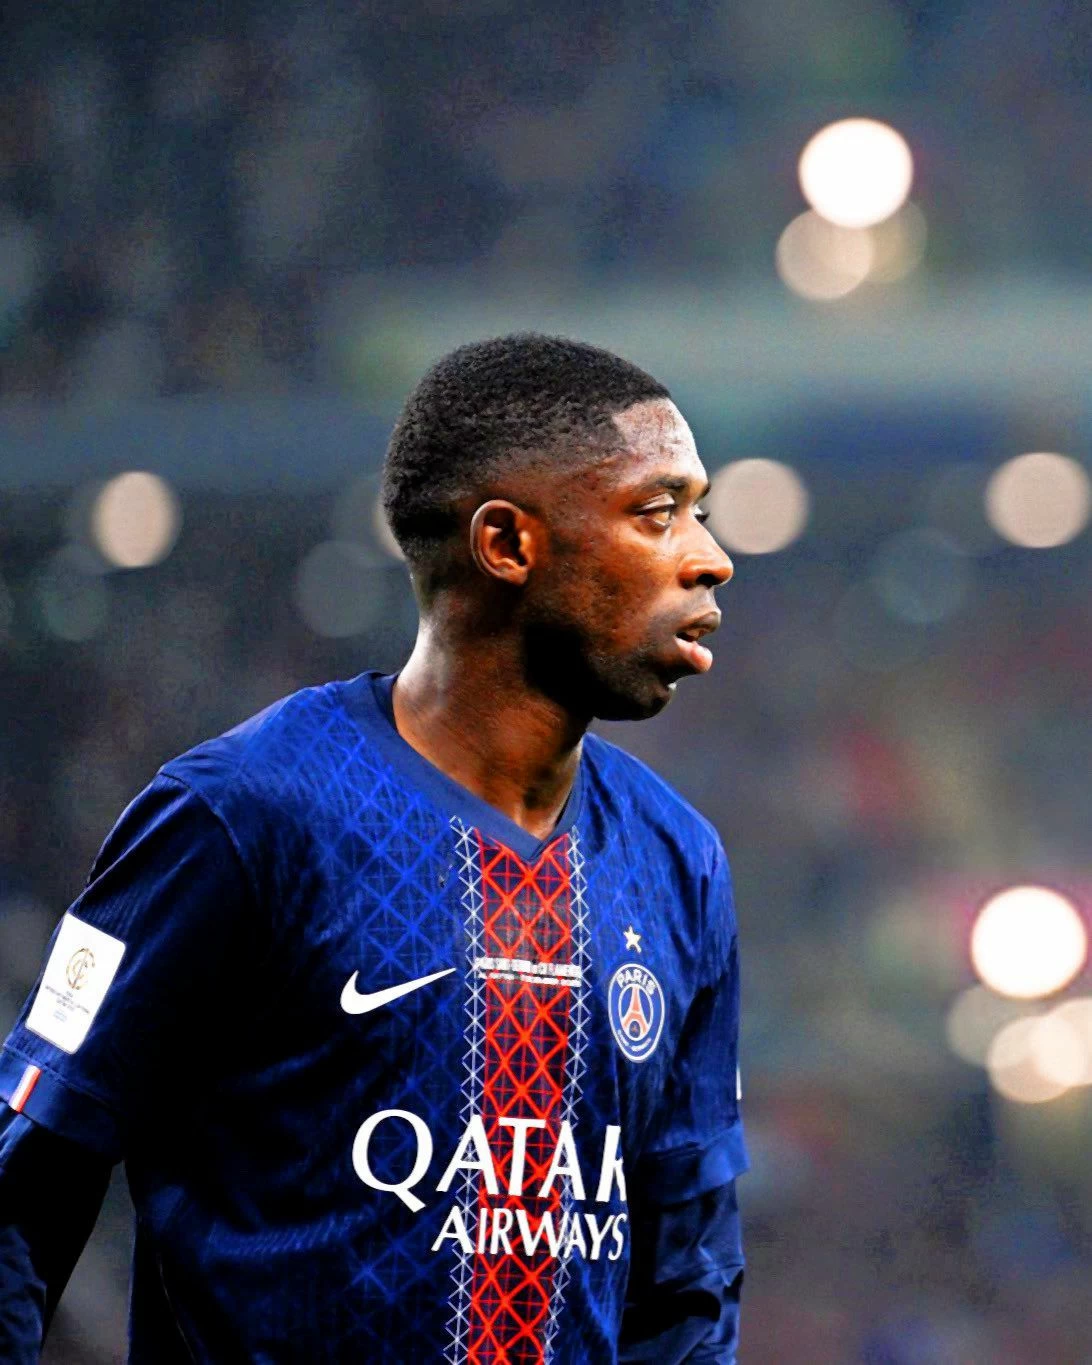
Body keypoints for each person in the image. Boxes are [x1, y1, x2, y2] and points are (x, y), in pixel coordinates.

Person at [0, 334, 746, 1363]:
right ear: (507, 543)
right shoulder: (244, 815)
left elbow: (690, 1271)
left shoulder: (678, 860)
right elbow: (26, 1181)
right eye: (659, 512)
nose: (710, 555)